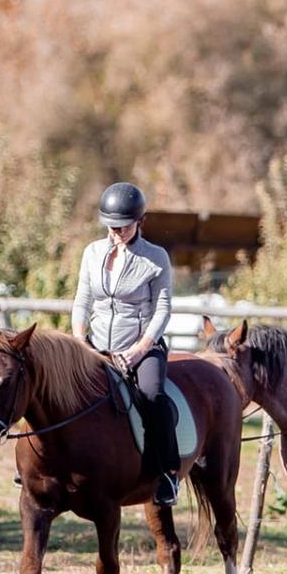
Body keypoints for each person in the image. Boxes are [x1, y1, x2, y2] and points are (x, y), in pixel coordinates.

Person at [73, 182, 179, 505]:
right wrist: (80, 340)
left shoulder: (156, 258)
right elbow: (82, 301)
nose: (117, 232)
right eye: (112, 226)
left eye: (124, 226)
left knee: (151, 394)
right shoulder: (92, 253)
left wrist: (139, 349)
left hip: (141, 345)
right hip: (96, 344)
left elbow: (162, 309)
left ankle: (167, 474)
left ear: (139, 222)